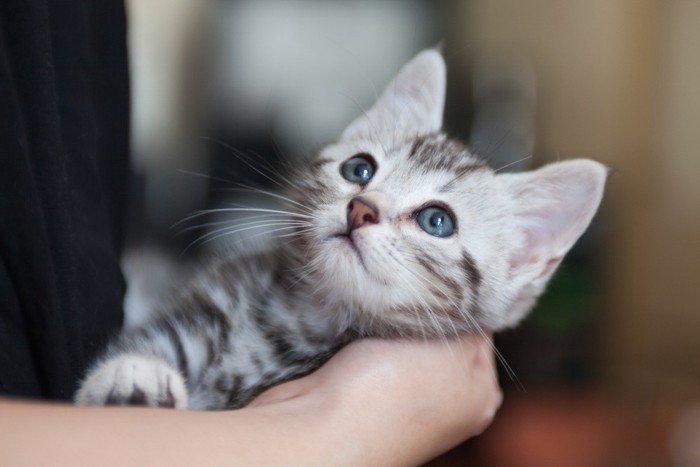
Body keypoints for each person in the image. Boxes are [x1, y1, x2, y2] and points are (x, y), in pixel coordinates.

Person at [0, 1, 501, 464]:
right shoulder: (249, 285)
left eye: (436, 220)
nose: (365, 206)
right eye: (360, 170)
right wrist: (327, 436)